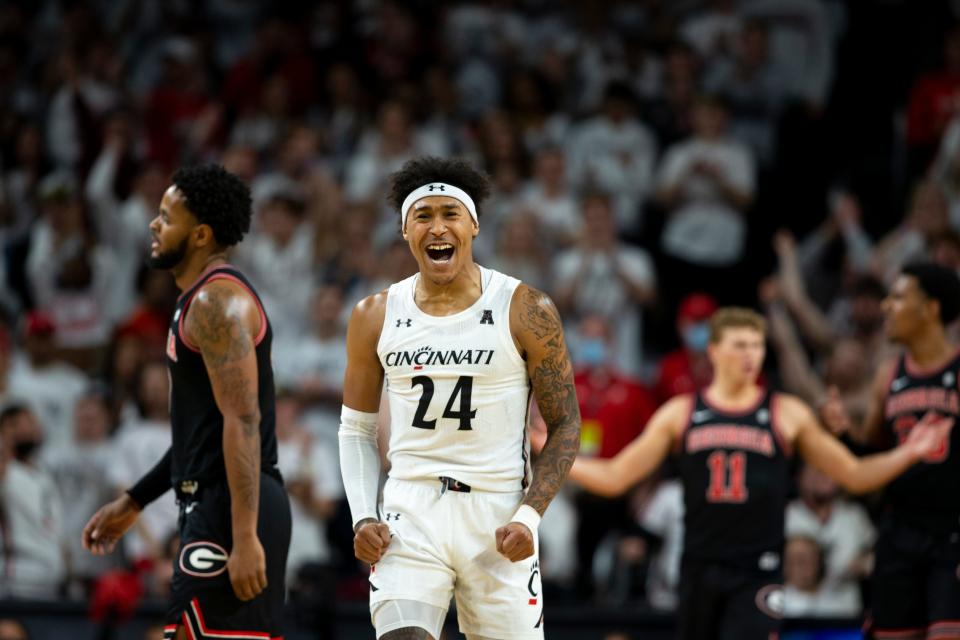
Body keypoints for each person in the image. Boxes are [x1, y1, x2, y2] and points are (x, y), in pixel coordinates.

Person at [557, 307, 948, 640]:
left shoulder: (785, 413)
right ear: (713, 350)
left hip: (756, 571)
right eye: (740, 345)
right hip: (697, 568)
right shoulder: (681, 412)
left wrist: (910, 452)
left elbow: (855, 474)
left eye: (757, 345)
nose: (751, 354)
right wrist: (553, 451)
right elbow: (615, 476)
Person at [339, 156, 580, 640]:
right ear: (405, 231)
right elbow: (357, 428)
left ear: (473, 225)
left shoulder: (526, 308)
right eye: (422, 216)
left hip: (498, 514)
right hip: (411, 511)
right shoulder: (374, 314)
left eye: (450, 213)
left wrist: (529, 517)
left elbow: (566, 425)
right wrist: (364, 514)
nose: (437, 227)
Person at [80, 165, 291, 640]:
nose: (154, 225)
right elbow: (205, 431)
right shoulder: (196, 301)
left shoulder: (216, 302)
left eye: (165, 216)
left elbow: (243, 420)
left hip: (233, 507)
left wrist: (243, 535)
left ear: (199, 234)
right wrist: (136, 500)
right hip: (217, 502)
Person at [829, 262, 960, 640]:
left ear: (931, 309)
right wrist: (841, 434)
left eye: (899, 297)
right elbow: (869, 461)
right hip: (899, 532)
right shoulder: (888, 376)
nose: (887, 306)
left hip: (951, 534)